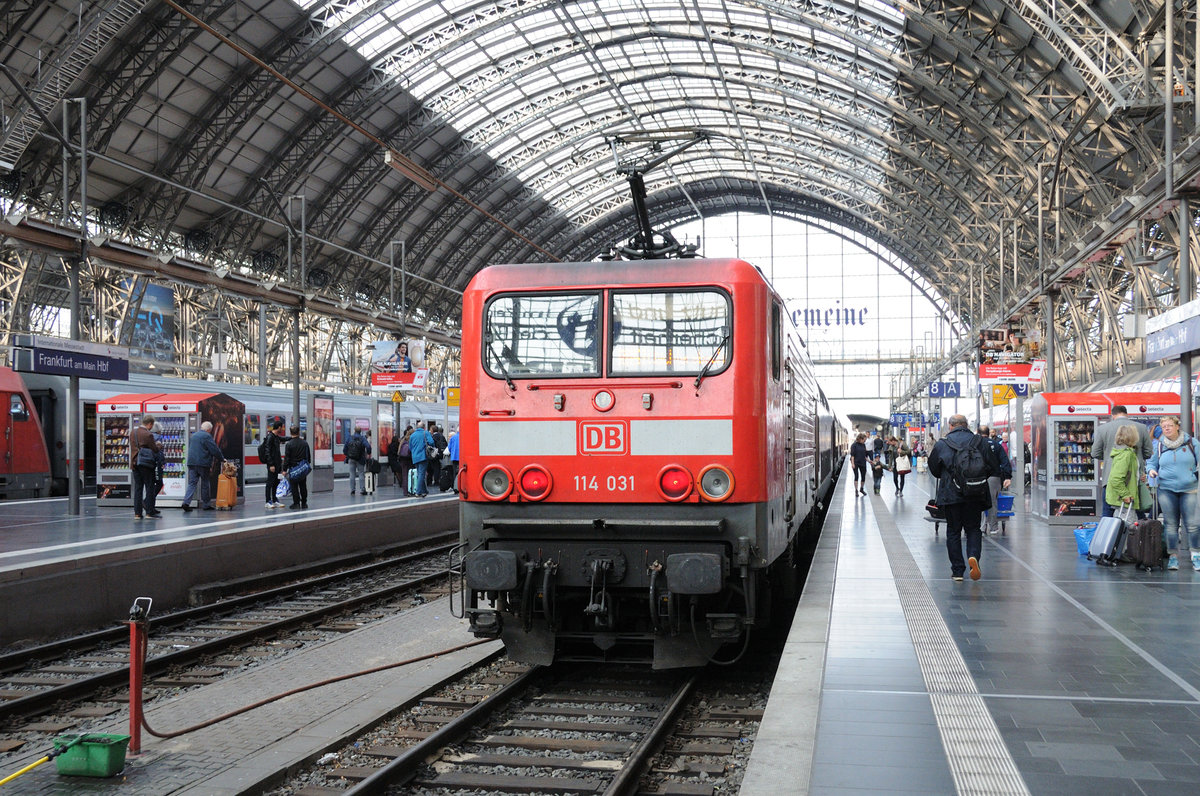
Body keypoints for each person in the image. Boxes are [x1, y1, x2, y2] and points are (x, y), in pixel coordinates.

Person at [928, 414, 1003, 581]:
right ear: (967, 425)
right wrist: (975, 479)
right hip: (975, 494)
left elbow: (934, 469)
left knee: (953, 531)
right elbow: (993, 467)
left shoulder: (942, 444)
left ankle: (957, 571)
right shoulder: (980, 442)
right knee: (973, 529)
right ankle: (973, 556)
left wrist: (949, 475)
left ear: (951, 426)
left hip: (951, 495)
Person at [1147, 415, 1199, 571]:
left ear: (1177, 426)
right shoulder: (1159, 445)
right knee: (1170, 525)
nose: (1167, 429)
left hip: (1190, 488)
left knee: (1193, 524)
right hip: (1166, 489)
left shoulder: (1191, 443)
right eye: (1164, 427)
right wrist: (1151, 470)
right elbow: (1151, 462)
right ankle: (1173, 557)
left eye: (1170, 425)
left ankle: (1196, 555)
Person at [1091, 405, 1153, 518]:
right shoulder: (1141, 427)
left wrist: (1110, 458)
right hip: (1135, 479)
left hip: (1109, 478)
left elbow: (1095, 453)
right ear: (1127, 414)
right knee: (1137, 516)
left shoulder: (1102, 429)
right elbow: (1148, 452)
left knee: (1108, 515)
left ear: (1112, 415)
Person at [977, 424, 1013, 536]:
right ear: (988, 433)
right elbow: (1005, 461)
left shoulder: (975, 444)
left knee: (978, 501)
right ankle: (993, 527)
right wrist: (1007, 477)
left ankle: (981, 527)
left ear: (978, 433)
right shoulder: (996, 445)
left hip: (978, 476)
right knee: (992, 502)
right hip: (994, 477)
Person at [182, 421, 225, 512]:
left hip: (192, 463)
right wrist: (222, 459)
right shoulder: (207, 436)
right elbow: (214, 449)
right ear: (209, 429)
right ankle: (206, 504)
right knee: (205, 483)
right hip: (203, 463)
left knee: (192, 483)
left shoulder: (194, 435)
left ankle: (186, 502)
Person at [1104, 424, 1143, 521]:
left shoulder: (1122, 452)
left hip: (1122, 499)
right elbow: (1116, 478)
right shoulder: (1126, 454)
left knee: (1122, 524)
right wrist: (1125, 494)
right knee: (1127, 526)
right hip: (1124, 500)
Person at [130, 415, 162, 520]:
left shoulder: (133, 432)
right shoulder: (148, 434)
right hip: (146, 464)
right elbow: (155, 449)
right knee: (149, 487)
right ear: (150, 424)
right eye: (151, 425)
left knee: (138, 488)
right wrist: (159, 446)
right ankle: (149, 512)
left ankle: (137, 513)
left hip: (134, 463)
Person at [283, 425, 311, 509]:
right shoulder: (304, 443)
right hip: (302, 468)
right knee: (303, 485)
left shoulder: (289, 444)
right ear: (298, 432)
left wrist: (284, 469)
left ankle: (296, 503)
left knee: (294, 486)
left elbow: (287, 458)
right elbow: (308, 456)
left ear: (290, 433)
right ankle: (304, 503)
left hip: (293, 468)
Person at [262, 420, 285, 509]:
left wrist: (293, 438)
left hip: (277, 464)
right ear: (279, 427)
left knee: (276, 482)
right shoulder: (270, 437)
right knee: (270, 482)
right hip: (272, 465)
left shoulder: (276, 437)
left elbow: (283, 438)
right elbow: (267, 451)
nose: (282, 429)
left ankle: (275, 500)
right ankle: (268, 501)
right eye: (281, 427)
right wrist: (271, 464)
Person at [343, 426, 370, 495]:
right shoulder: (362, 438)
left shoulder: (350, 438)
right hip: (360, 459)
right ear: (360, 431)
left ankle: (352, 490)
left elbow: (345, 448)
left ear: (354, 430)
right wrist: (368, 453)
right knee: (361, 473)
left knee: (352, 474)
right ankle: (362, 489)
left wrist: (348, 455)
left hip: (351, 459)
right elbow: (368, 446)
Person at [409, 421, 432, 498]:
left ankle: (424, 491)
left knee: (420, 473)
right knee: (421, 474)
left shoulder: (412, 435)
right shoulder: (426, 433)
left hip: (415, 457)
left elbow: (410, 447)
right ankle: (418, 492)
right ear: (424, 427)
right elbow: (431, 442)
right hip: (423, 456)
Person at [428, 424, 447, 490]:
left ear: (432, 430)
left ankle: (430, 481)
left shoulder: (432, 437)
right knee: (437, 468)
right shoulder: (441, 436)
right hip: (439, 454)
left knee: (431, 468)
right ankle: (437, 481)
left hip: (433, 454)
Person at [447, 425, 460, 493]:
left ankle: (456, 487)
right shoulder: (464, 437)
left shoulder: (453, 438)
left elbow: (449, 448)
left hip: (454, 457)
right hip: (462, 458)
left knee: (455, 472)